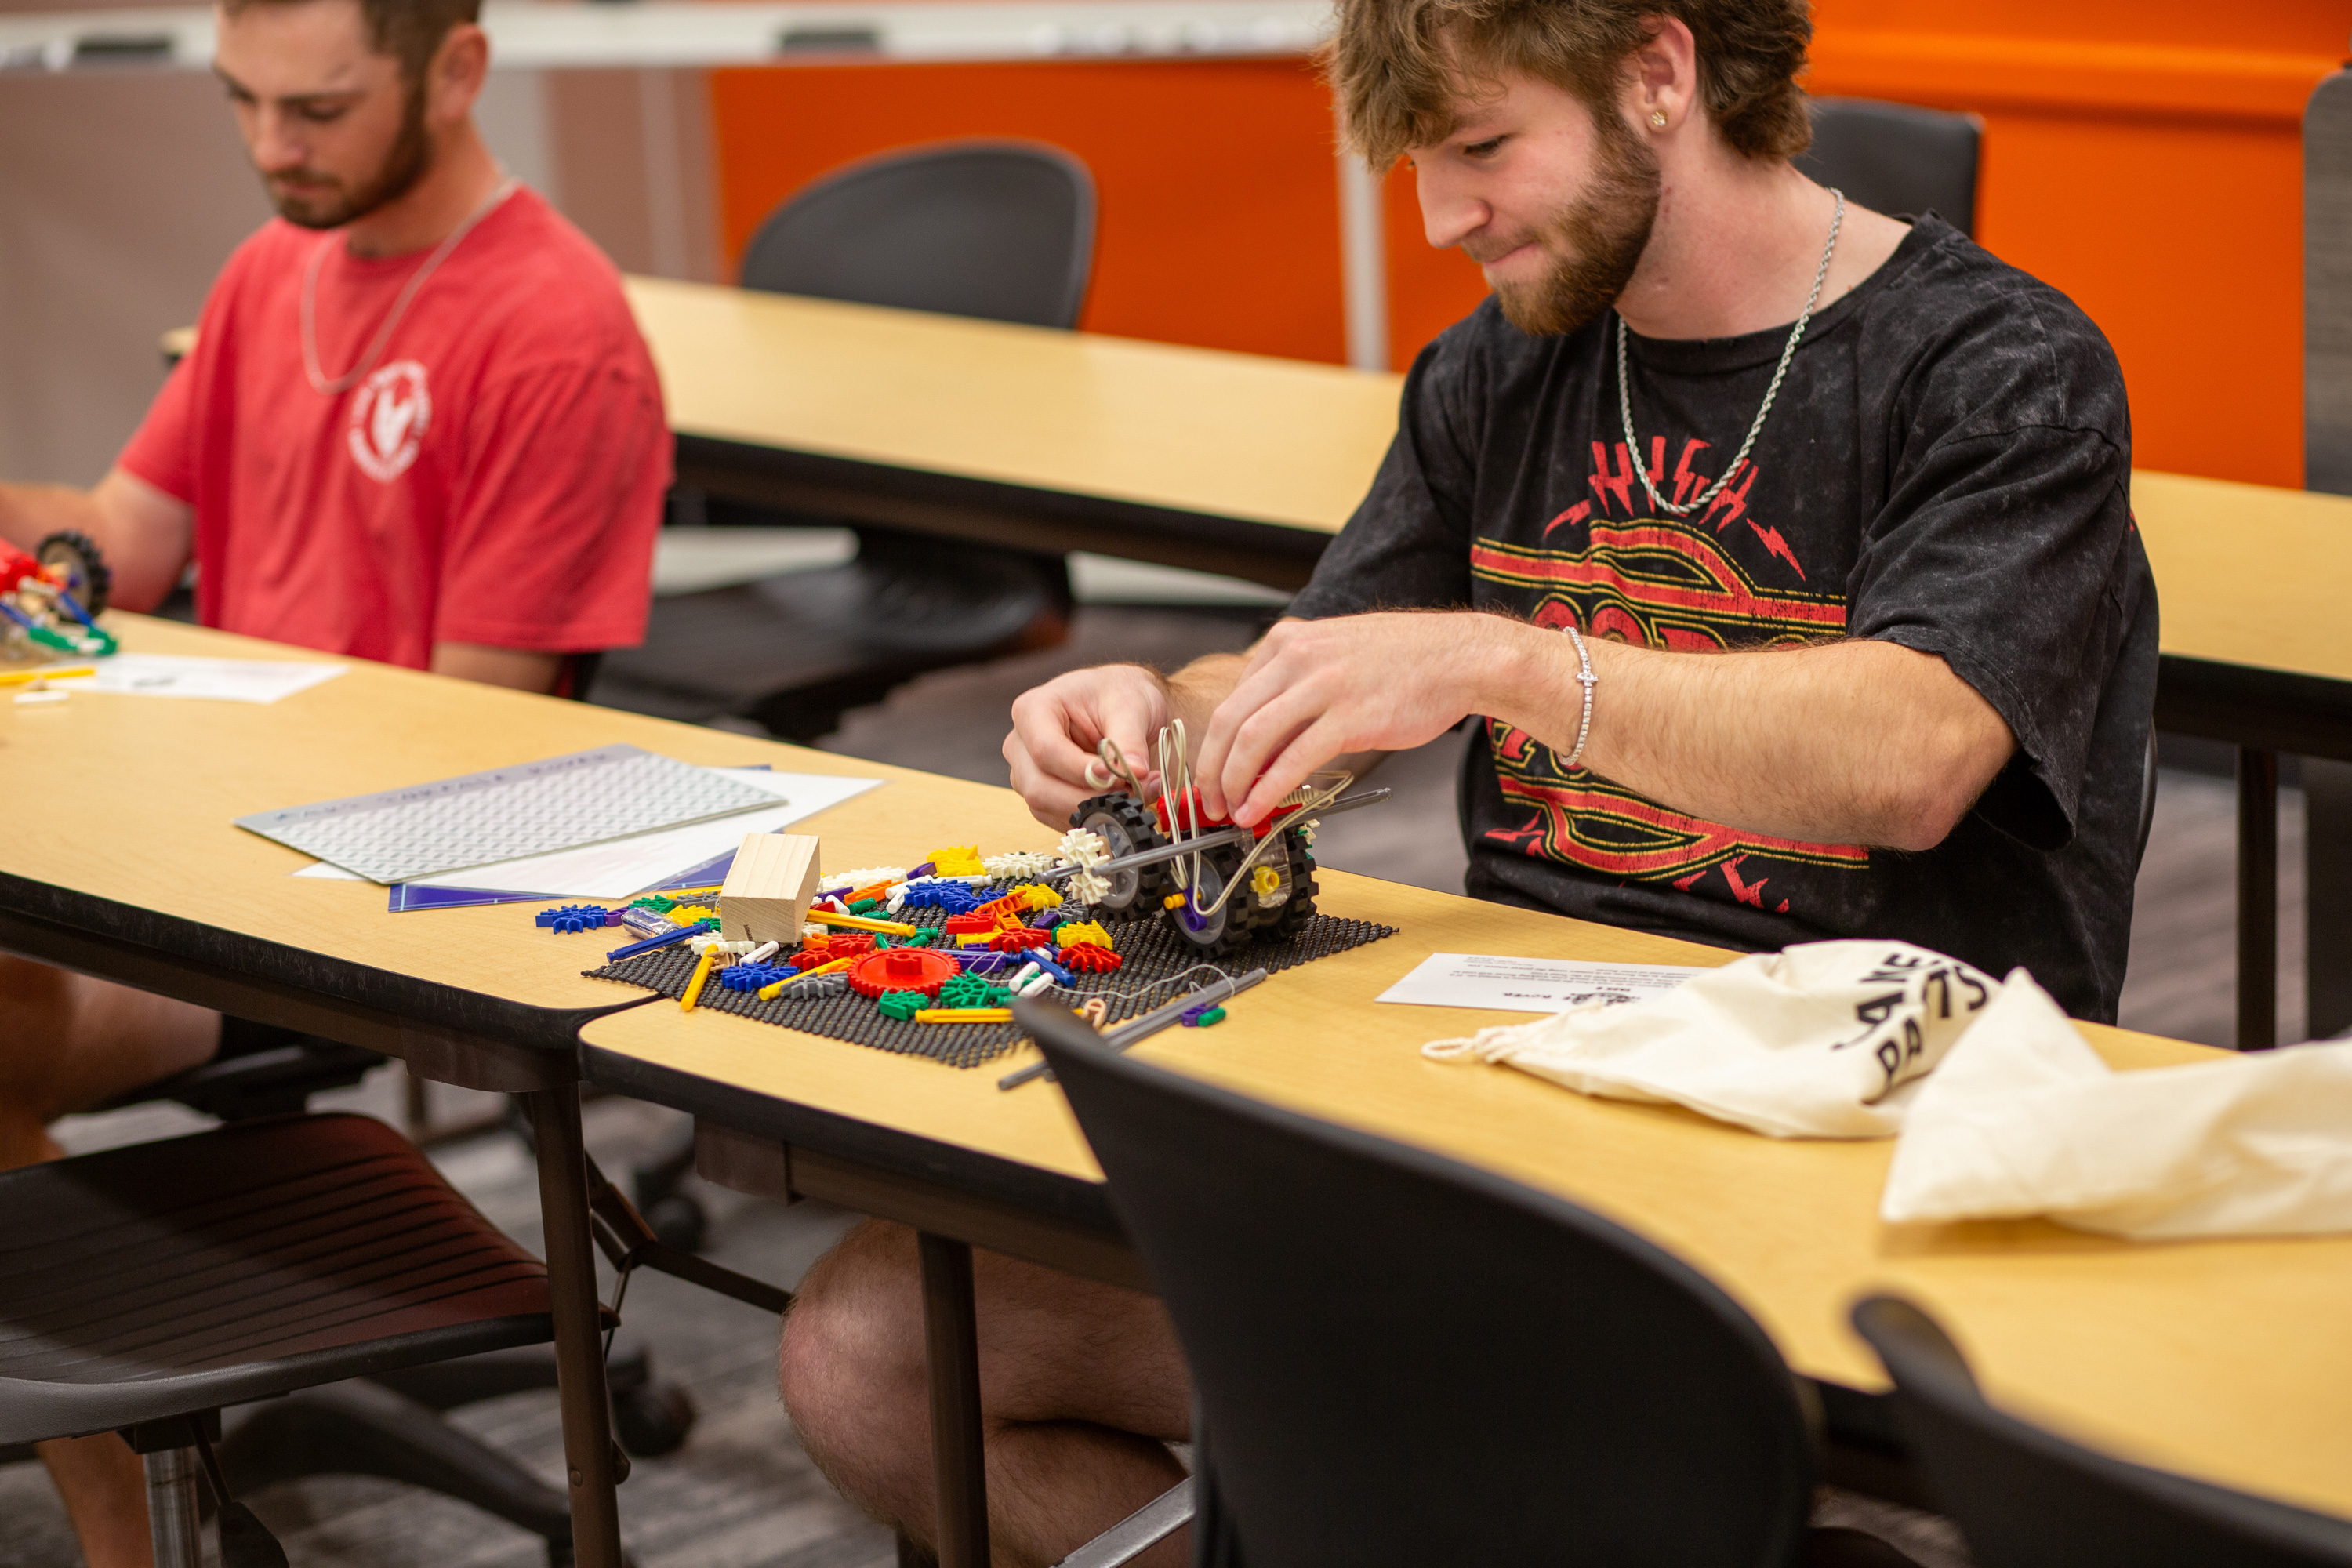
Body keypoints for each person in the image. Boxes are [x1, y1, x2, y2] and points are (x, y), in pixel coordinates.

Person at [779, 0, 2155, 1562]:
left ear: (1658, 74)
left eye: (1485, 146)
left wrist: (1506, 663)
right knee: (876, 1349)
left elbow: (1913, 758)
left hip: (1855, 1158)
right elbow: (1328, 668)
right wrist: (1155, 713)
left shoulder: (2000, 367)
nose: (1442, 217)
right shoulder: (1504, 363)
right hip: (1521, 1113)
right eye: (1422, 161)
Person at [0, 0, 669, 1557]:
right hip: (178, 834)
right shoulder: (269, 271)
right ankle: (148, 1481)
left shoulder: (557, 333)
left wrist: (158, 761)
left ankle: (132, 1518)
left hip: (340, 899)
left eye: (315, 109)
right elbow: (122, 542)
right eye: (241, 102)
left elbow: (458, 758)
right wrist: (50, 562)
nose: (267, 150)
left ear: (457, 69)